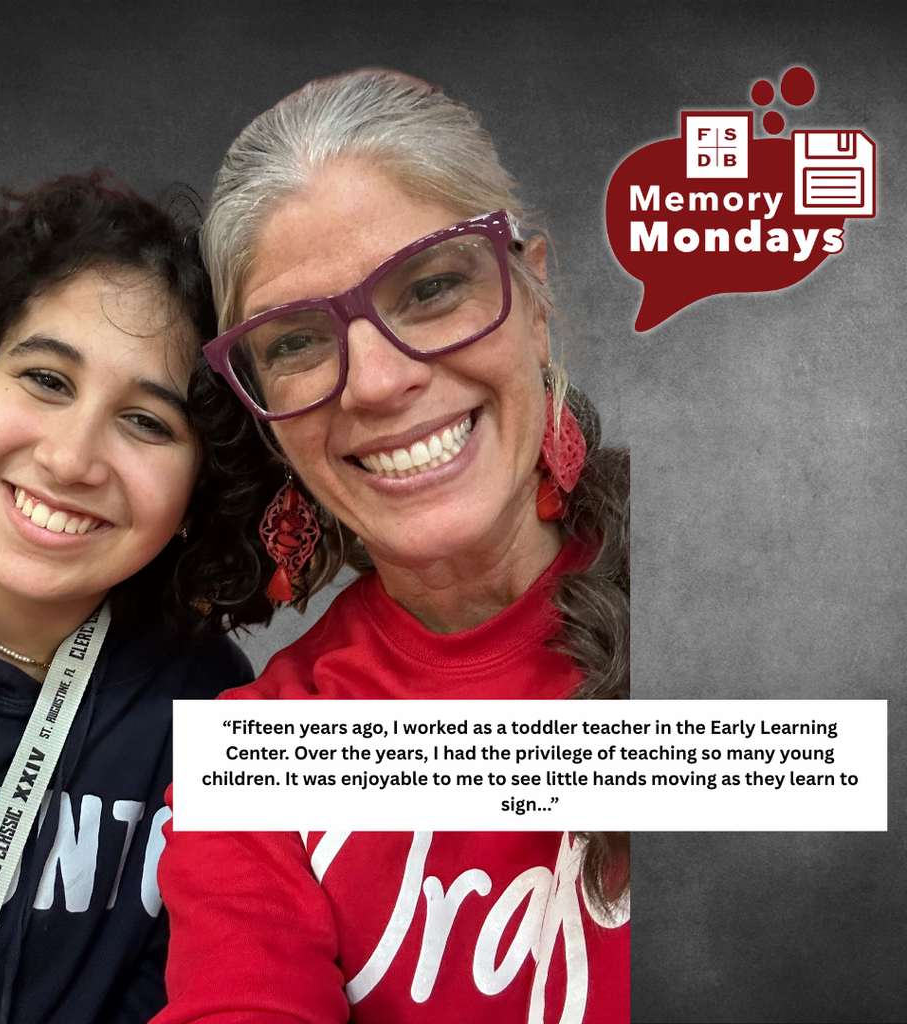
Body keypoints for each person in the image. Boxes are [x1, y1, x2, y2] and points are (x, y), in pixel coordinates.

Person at [156, 71, 630, 1024]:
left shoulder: (771, 610)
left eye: (431, 287)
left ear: (534, 299)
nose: (374, 383)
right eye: (294, 342)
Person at [0, 171, 274, 1024]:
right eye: (47, 381)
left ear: (203, 493)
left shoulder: (211, 711)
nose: (70, 459)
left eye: (147, 423)